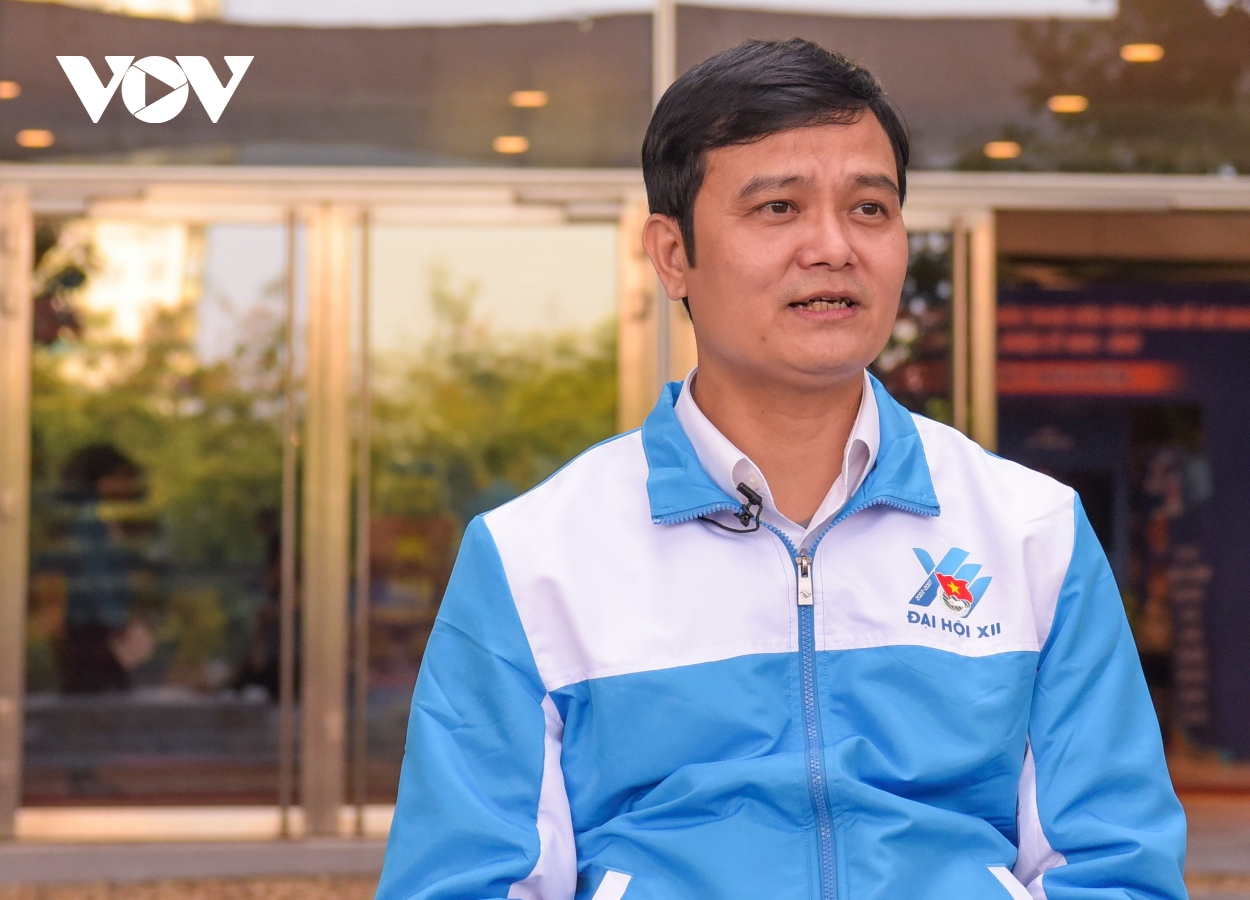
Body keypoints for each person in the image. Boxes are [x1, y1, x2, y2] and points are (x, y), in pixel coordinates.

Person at [377, 39, 1186, 900]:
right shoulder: (533, 559)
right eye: (778, 208)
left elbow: (1118, 868)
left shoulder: (1031, 533)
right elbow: (465, 881)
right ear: (673, 254)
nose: (833, 247)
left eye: (869, 208)